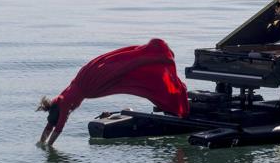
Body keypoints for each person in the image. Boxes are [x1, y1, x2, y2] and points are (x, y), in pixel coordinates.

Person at [36, 38, 189, 146]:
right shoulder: (58, 102)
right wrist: (41, 142)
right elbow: (51, 125)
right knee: (122, 68)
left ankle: (158, 56)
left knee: (125, 69)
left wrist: (48, 145)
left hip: (91, 85)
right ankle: (155, 56)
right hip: (85, 77)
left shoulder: (62, 106)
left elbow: (59, 128)